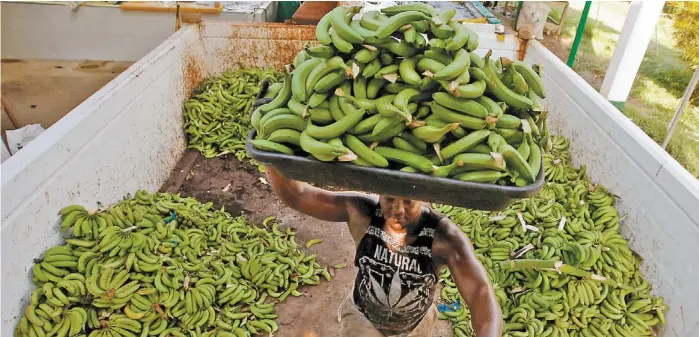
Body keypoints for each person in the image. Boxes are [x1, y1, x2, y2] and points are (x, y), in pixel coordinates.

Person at [264, 166, 503, 337]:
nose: (398, 210)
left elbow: (480, 293)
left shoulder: (443, 237)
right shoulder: (362, 213)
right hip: (363, 320)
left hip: (416, 327)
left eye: (408, 201)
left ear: (424, 196)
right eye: (389, 199)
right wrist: (270, 157)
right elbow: (298, 195)